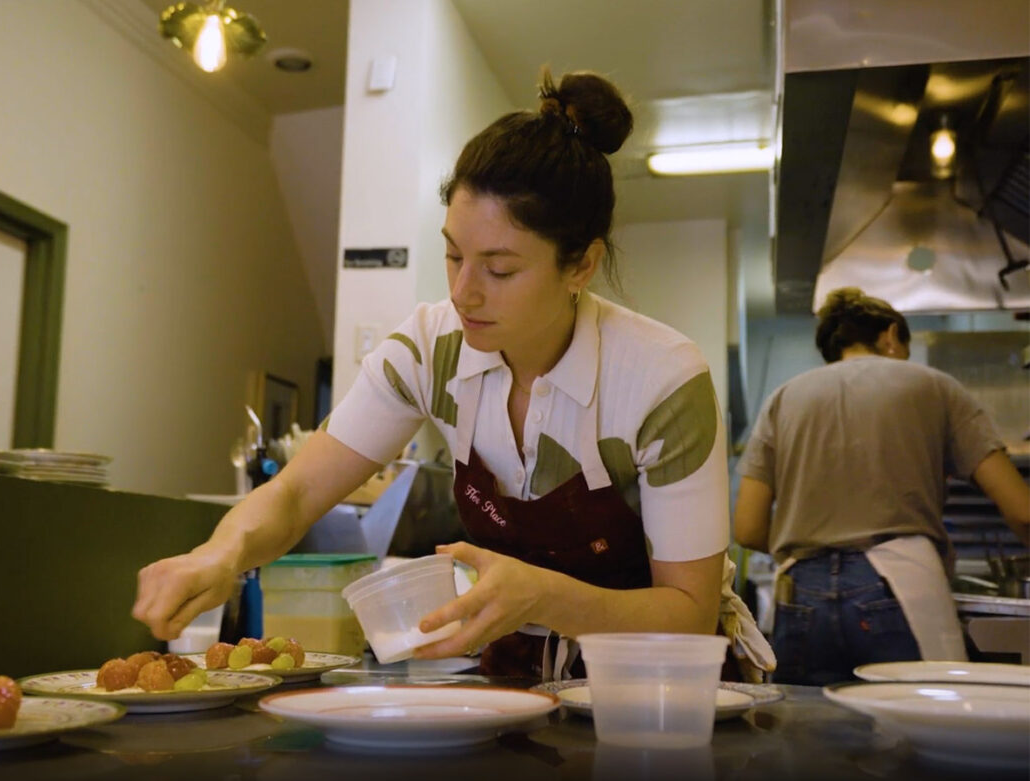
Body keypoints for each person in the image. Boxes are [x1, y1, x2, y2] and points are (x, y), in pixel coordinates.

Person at [133, 69, 773, 681]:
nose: (465, 292)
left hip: (654, 686)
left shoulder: (659, 379)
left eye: (499, 270)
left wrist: (542, 596)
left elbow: (686, 614)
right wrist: (220, 554)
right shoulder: (429, 350)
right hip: (520, 677)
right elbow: (297, 494)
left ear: (580, 266)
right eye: (453, 254)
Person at [734, 287, 1030, 686]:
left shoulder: (784, 398)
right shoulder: (934, 386)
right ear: (891, 336)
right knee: (921, 734)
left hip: (802, 594)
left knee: (809, 738)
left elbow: (748, 527)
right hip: (900, 585)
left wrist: (817, 546)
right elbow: (1022, 510)